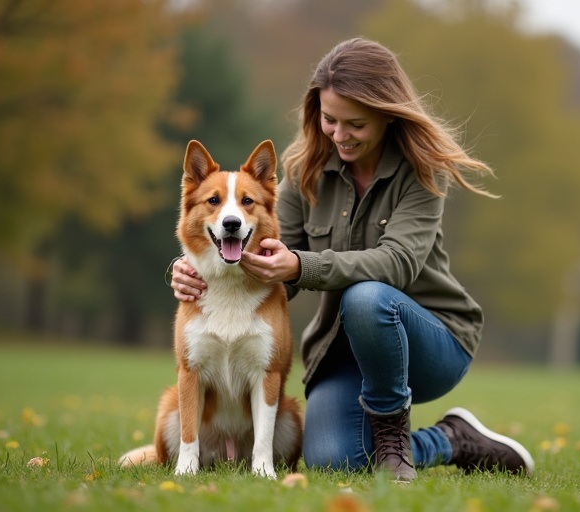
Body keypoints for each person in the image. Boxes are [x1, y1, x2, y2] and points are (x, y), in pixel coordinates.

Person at [169, 37, 534, 482]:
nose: (339, 134)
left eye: (355, 124)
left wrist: (303, 266)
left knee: (366, 298)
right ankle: (449, 439)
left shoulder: (421, 170)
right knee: (333, 460)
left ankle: (394, 441)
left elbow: (396, 262)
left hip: (430, 341)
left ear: (386, 114)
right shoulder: (303, 170)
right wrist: (186, 269)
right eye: (329, 119)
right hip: (346, 350)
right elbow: (262, 250)